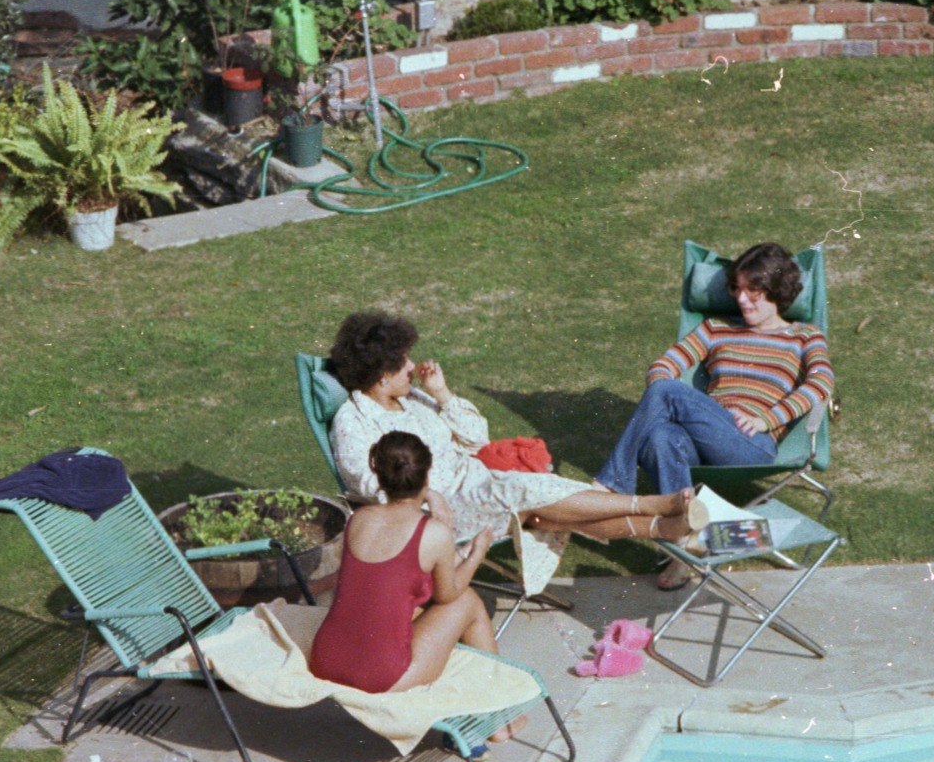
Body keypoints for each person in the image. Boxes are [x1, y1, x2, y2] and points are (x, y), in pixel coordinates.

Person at [328, 313, 708, 588]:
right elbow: (367, 484)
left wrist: (441, 393)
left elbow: (476, 439)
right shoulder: (353, 421)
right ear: (381, 373)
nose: (412, 365)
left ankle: (664, 527)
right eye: (403, 361)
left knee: (549, 514)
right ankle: (655, 506)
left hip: (480, 484)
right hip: (439, 511)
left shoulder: (414, 400)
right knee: (534, 492)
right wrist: (429, 494)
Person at [593, 243, 834, 589]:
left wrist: (770, 418)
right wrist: (686, 407)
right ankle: (683, 550)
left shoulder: (804, 335)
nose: (742, 299)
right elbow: (663, 366)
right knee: (660, 436)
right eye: (737, 289)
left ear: (778, 291)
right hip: (704, 434)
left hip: (750, 442)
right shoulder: (714, 328)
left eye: (754, 290)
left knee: (665, 392)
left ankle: (609, 490)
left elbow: (822, 383)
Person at [309, 432, 502, 698]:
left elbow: (388, 579)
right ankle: (501, 712)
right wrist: (476, 554)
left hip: (326, 660)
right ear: (427, 476)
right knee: (467, 601)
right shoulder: (433, 533)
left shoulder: (359, 519)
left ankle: (495, 708)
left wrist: (429, 495)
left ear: (378, 476)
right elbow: (447, 595)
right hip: (379, 676)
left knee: (397, 607)